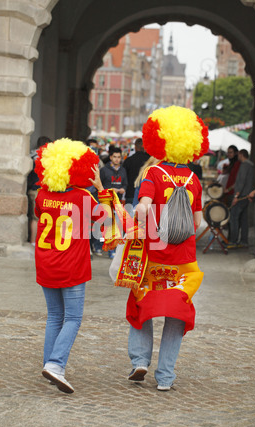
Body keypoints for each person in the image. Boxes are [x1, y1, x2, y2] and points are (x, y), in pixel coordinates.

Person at [118, 106, 207, 391]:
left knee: (141, 305)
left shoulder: (153, 173)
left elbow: (143, 206)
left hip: (154, 256)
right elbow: (200, 222)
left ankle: (140, 360)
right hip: (183, 260)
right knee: (176, 315)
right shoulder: (194, 180)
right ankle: (166, 377)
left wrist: (137, 220)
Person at [33, 137, 113, 393]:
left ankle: (49, 364)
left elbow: (39, 214)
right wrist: (100, 187)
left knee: (54, 317)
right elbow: (106, 220)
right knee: (73, 318)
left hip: (46, 264)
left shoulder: (43, 194)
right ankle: (56, 364)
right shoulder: (82, 197)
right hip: (71, 266)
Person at [100, 147, 128, 259]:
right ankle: (101, 246)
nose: (117, 159)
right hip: (106, 202)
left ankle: (113, 249)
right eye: (115, 157)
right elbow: (100, 186)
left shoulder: (123, 170)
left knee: (117, 226)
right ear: (111, 157)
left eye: (119, 157)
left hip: (119, 202)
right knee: (106, 225)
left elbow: (126, 183)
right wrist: (110, 189)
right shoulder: (104, 170)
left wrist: (123, 189)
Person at [27, 136, 51, 245]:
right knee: (43, 218)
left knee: (33, 217)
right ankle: (38, 241)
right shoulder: (47, 158)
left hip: (32, 189)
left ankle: (32, 241)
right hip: (42, 191)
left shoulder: (30, 155)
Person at [227, 149, 254, 249]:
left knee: (233, 217)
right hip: (246, 196)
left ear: (242, 155)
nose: (237, 157)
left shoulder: (244, 165)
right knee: (243, 219)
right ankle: (243, 241)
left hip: (241, 197)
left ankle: (233, 241)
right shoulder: (251, 166)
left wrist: (236, 196)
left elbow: (241, 182)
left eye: (238, 155)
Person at [123, 138, 150, 205]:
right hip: (146, 195)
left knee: (130, 215)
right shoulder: (150, 160)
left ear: (135, 147)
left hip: (131, 193)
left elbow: (123, 176)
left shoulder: (128, 160)